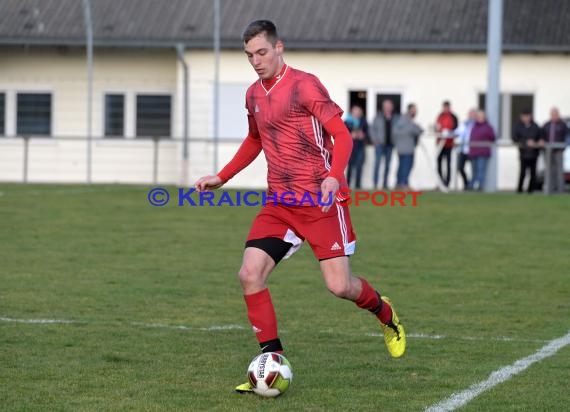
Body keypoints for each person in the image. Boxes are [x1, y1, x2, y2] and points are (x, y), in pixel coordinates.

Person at [194, 20, 406, 393]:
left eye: (261, 52)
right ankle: (270, 362)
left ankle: (385, 314)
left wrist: (333, 176)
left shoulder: (305, 85)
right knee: (249, 274)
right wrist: (222, 176)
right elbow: (254, 139)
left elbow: (342, 136)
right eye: (249, 56)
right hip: (280, 202)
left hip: (322, 201)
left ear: (279, 48)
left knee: (340, 287)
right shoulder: (253, 95)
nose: (256, 61)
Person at [512, 109, 544, 193]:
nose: (526, 118)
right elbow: (515, 138)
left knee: (533, 173)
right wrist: (525, 142)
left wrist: (539, 141)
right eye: (524, 116)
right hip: (523, 153)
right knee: (523, 172)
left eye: (528, 116)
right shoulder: (518, 126)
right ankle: (520, 189)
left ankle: (531, 190)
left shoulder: (535, 126)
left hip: (534, 153)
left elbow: (540, 136)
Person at [370, 99, 399, 189]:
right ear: (383, 107)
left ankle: (385, 184)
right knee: (377, 164)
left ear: (392, 107)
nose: (387, 108)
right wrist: (374, 139)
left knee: (387, 165)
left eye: (389, 106)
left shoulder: (395, 118)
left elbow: (398, 130)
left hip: (390, 145)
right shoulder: (378, 117)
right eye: (386, 106)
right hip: (379, 144)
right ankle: (375, 184)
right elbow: (372, 129)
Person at [394, 103, 423, 189]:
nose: (416, 112)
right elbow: (416, 130)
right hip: (406, 148)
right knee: (406, 166)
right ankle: (404, 183)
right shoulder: (406, 120)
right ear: (410, 110)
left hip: (402, 147)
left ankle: (399, 183)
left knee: (402, 166)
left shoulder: (404, 120)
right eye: (414, 110)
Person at [542, 107, 568, 193]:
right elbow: (542, 136)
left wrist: (563, 147)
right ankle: (549, 189)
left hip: (558, 151)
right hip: (548, 152)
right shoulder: (547, 125)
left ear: (558, 114)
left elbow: (567, 137)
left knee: (559, 170)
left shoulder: (563, 125)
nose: (554, 116)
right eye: (552, 114)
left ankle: (560, 190)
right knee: (549, 171)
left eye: (555, 114)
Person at [469, 110, 496, 191]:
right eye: (478, 116)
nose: (479, 118)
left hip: (483, 152)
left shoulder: (488, 127)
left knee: (481, 170)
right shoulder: (474, 126)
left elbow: (492, 138)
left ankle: (480, 186)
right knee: (474, 171)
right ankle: (471, 186)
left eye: (481, 116)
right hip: (474, 152)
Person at [435, 101, 459, 188]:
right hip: (440, 143)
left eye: (447, 107)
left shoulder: (453, 117)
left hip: (449, 144)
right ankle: (440, 181)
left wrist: (449, 133)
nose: (445, 109)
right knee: (438, 162)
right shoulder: (440, 116)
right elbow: (437, 127)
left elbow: (456, 129)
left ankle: (447, 182)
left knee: (448, 163)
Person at [345, 105, 369, 189]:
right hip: (350, 148)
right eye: (355, 111)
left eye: (359, 111)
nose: (357, 113)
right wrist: (350, 136)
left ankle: (358, 185)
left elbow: (367, 134)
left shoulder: (363, 122)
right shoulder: (347, 122)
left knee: (359, 166)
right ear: (352, 112)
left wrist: (363, 136)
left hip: (360, 147)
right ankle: (347, 185)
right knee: (350, 166)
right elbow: (342, 134)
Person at [454, 109, 476, 190]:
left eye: (473, 114)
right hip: (462, 150)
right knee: (460, 167)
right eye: (470, 114)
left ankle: (471, 185)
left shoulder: (477, 125)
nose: (471, 116)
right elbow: (456, 132)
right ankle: (466, 183)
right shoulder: (464, 124)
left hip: (473, 150)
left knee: (474, 169)